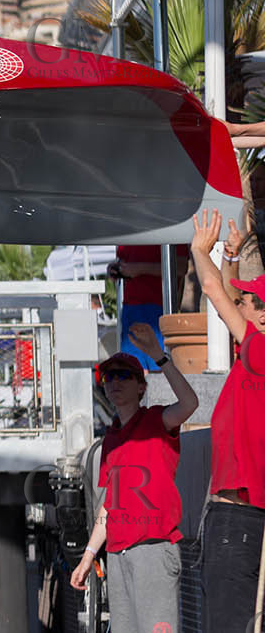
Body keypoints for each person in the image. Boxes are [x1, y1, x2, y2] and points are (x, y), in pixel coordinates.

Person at [70, 323, 199, 633]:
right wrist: (89, 555)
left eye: (123, 375)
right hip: (117, 554)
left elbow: (189, 404)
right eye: (108, 377)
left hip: (152, 550)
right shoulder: (111, 438)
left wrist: (158, 356)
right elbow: (109, 505)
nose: (114, 382)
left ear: (141, 386)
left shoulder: (156, 419)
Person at [192, 209, 265, 632]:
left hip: (237, 522)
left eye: (249, 301)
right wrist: (231, 256)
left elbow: (213, 293)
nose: (240, 304)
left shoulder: (259, 352)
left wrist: (202, 251)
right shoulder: (252, 357)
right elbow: (228, 295)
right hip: (247, 518)